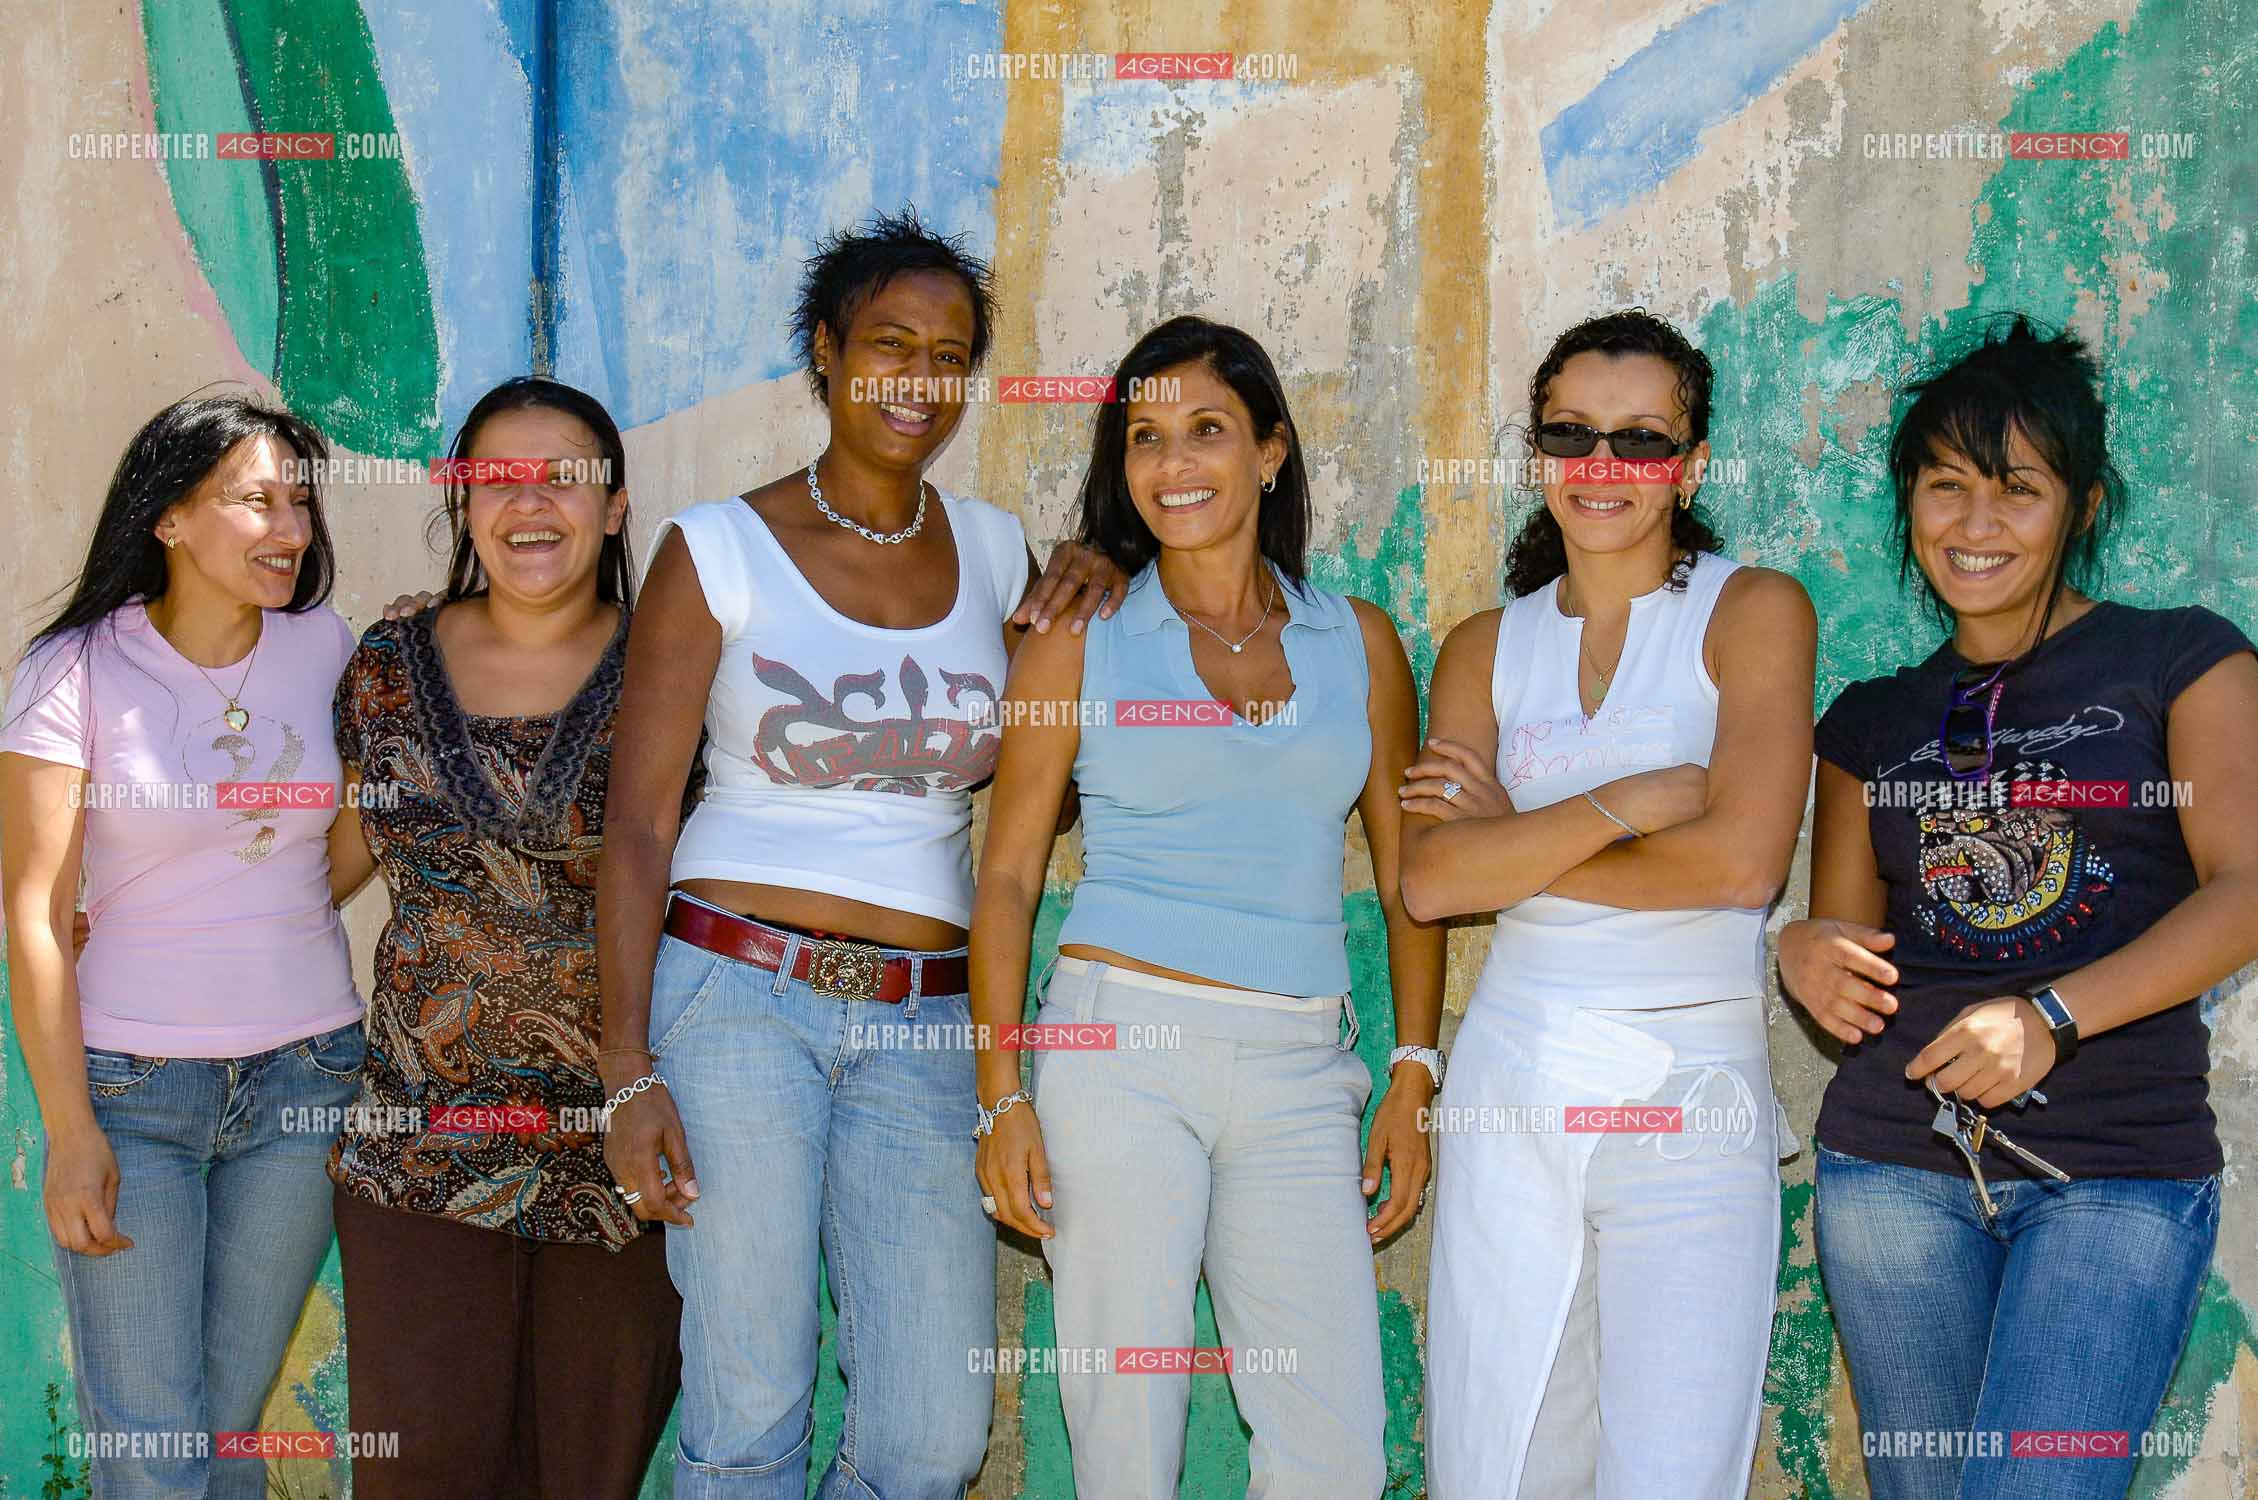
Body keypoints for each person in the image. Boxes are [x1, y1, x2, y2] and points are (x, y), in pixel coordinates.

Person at [593, 207, 1127, 1498]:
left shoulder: (997, 548)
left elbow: (1028, 804)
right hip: (734, 999)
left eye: (949, 356)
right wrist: (623, 1072)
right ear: (824, 353)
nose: (919, 381)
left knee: (931, 1434)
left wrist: (1102, 590)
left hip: (929, 1020)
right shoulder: (715, 549)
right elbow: (637, 824)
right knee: (750, 1404)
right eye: (890, 344)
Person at [1779, 315, 2258, 1500]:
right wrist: (1797, 948)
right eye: (1944, 487)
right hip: (1893, 1173)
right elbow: (1847, 947)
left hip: (2114, 1174)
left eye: (2016, 490)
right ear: (1906, 505)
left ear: (2080, 507)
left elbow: (2246, 889)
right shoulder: (1871, 719)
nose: (1974, 525)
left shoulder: (2180, 659)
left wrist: (2048, 1012)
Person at [971, 314, 1445, 1499]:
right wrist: (1000, 1095)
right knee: (1124, 1438)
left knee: (1332, 1446)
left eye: (1205, 430)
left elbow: (1407, 878)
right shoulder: (1076, 638)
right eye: (1144, 438)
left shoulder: (1360, 643)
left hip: (1301, 1066)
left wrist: (1412, 1071)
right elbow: (1011, 873)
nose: (1173, 463)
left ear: (1269, 451)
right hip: (1113, 1050)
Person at [1402, 309, 1815, 1499]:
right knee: (1498, 1459)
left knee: (1672, 1470)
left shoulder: (1751, 613)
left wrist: (1510, 847)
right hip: (1513, 1085)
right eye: (1572, 435)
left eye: (1640, 441)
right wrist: (1624, 803)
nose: (1603, 468)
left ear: (1686, 465)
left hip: (1688, 1092)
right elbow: (1429, 881)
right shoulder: (1484, 646)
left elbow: (1740, 866)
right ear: (1537, 453)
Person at [324, 378, 687, 1496]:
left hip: (624, 1148)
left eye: (564, 478)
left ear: (616, 507)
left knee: (588, 1471)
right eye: (499, 478)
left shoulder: (680, 670)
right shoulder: (386, 666)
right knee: (421, 1470)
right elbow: (324, 864)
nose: (531, 504)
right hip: (420, 1149)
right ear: (460, 499)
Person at [0, 392, 365, 1500]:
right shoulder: (74, 670)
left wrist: (259, 904)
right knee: (153, 1444)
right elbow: (31, 908)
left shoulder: (329, 648)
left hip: (306, 1076)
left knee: (226, 1422)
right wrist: (70, 1130)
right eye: (257, 501)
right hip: (131, 1088)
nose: (291, 528)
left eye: (300, 502)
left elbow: (345, 850)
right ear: (167, 519)